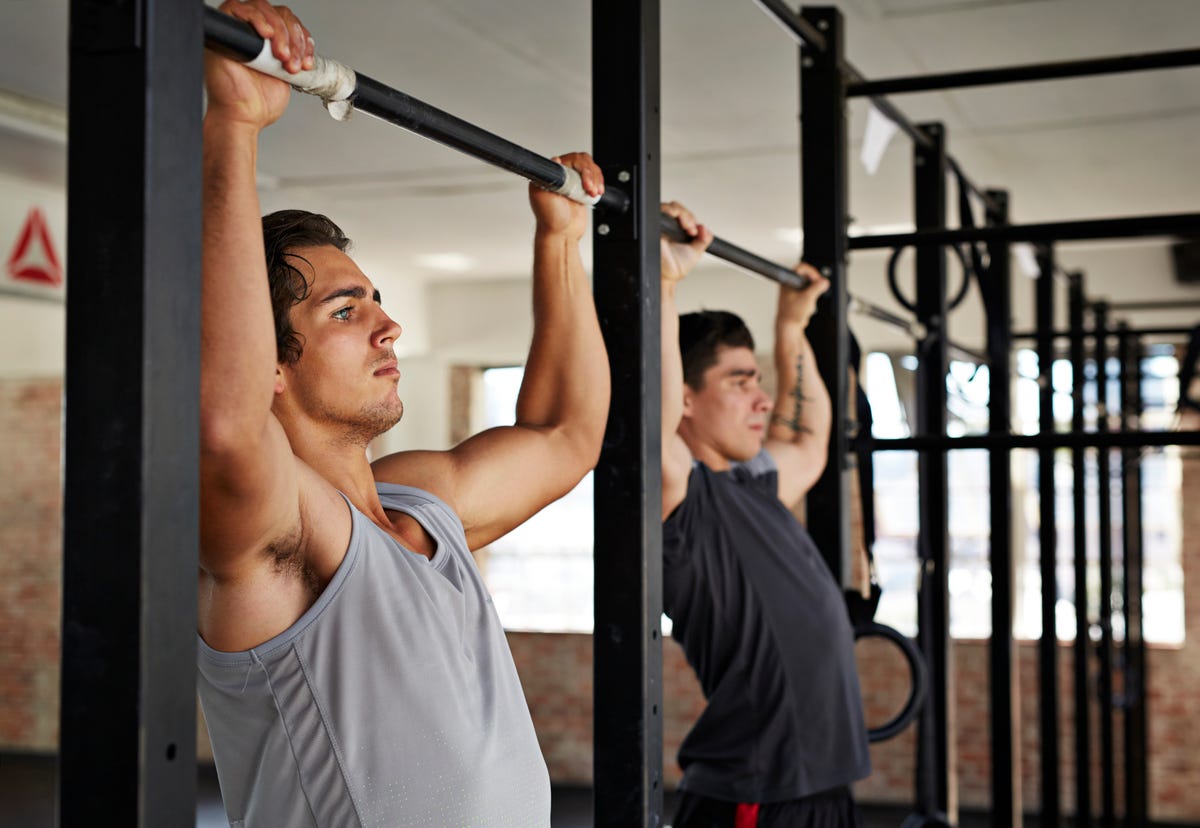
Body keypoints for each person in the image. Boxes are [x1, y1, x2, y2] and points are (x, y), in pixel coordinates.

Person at [196, 2, 609, 824]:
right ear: (274, 364)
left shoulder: (423, 505)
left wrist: (560, 241)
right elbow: (225, 424)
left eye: (377, 299)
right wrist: (234, 128)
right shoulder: (281, 538)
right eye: (347, 311)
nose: (389, 325)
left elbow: (567, 435)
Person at [659, 202, 871, 827]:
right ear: (687, 400)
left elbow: (809, 436)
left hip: (825, 784)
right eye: (740, 382)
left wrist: (791, 326)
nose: (763, 398)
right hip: (756, 792)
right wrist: (664, 283)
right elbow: (650, 414)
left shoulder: (754, 486)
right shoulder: (682, 502)